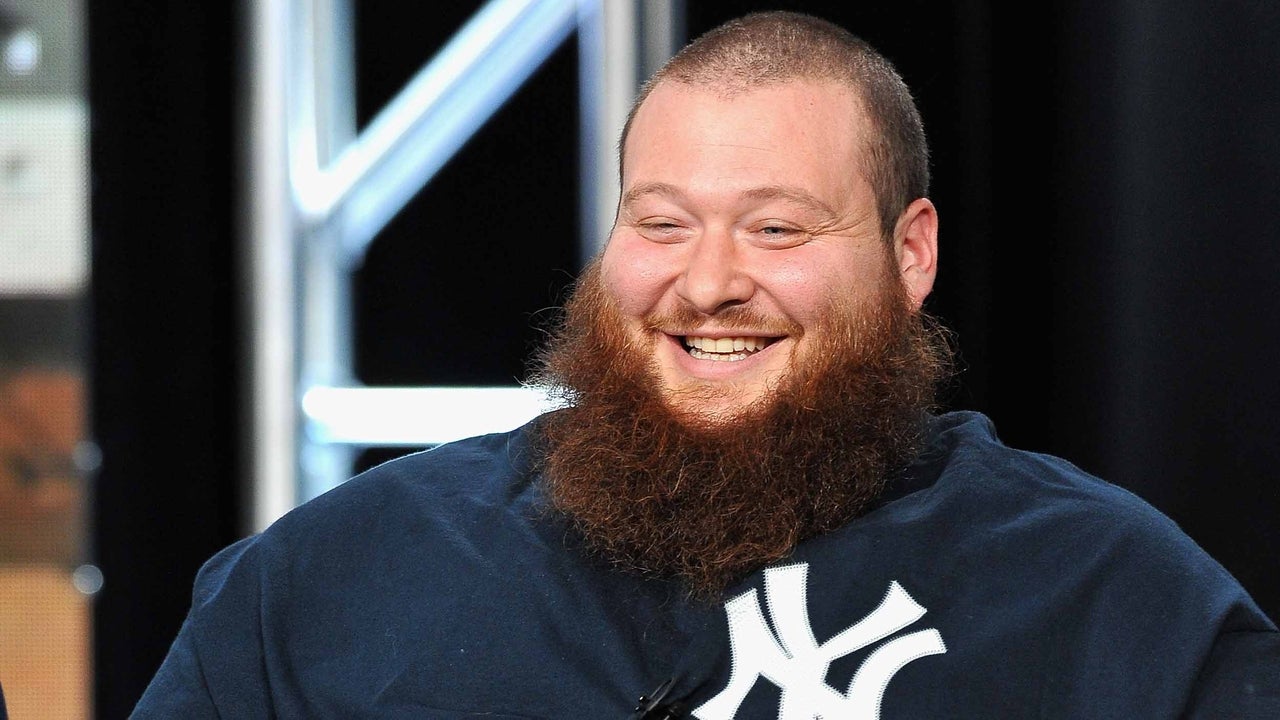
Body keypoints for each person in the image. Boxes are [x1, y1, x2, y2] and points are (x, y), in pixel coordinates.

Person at [130, 11, 1278, 718]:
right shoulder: (328, 581)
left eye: (775, 228)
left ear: (909, 254)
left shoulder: (1114, 603)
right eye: (661, 223)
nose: (708, 281)